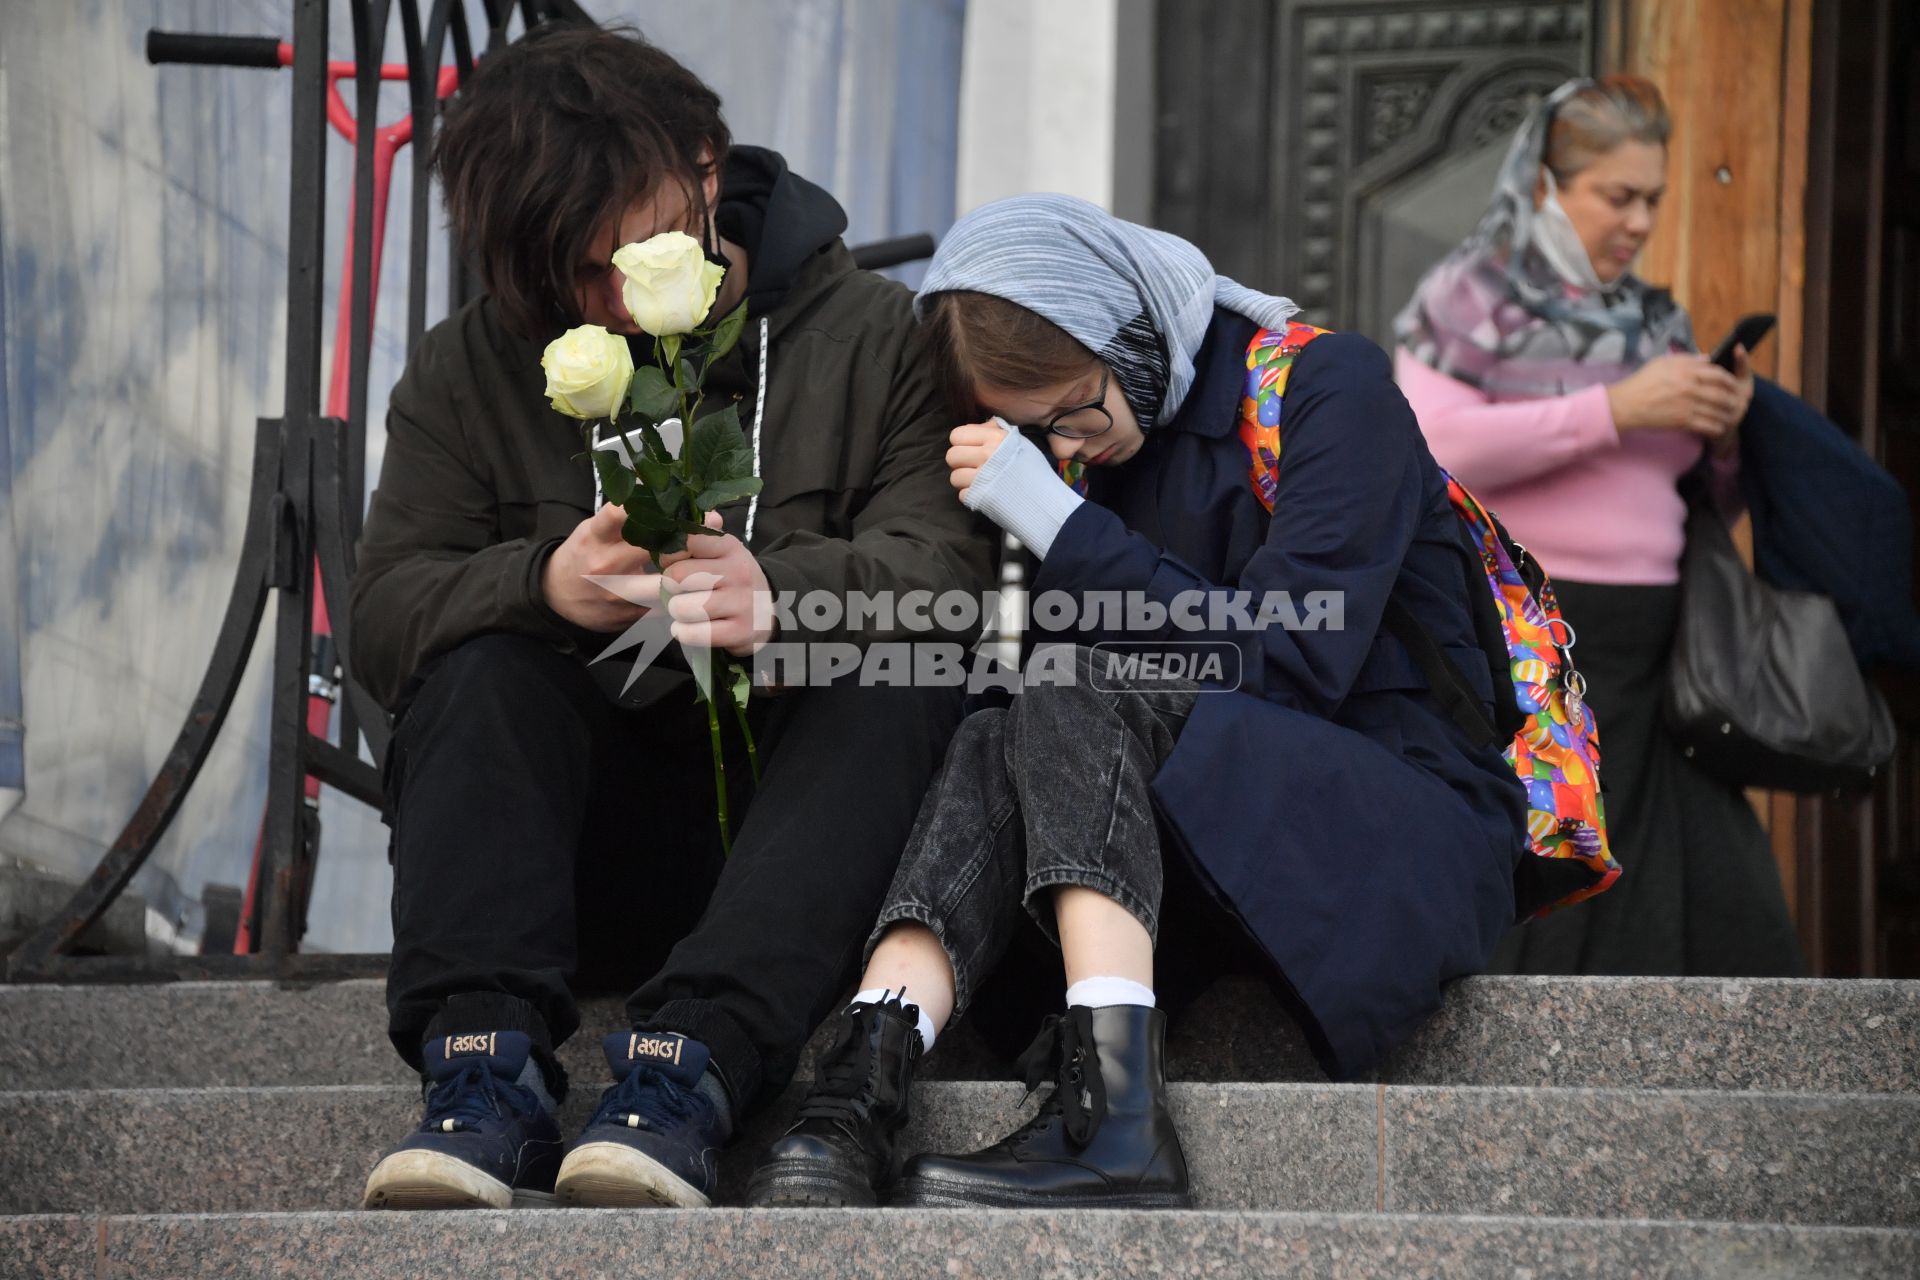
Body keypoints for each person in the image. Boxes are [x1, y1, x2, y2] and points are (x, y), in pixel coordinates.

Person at [745, 194, 1530, 1210]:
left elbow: (1294, 660)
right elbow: (1062, 724)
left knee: (1068, 687)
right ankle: (857, 1083)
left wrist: (1063, 526)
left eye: (1072, 406)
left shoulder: (1331, 387)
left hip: (1395, 822)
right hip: (1206, 847)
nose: (1066, 444)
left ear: (1125, 325)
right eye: (1030, 431)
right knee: (998, 719)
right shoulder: (1104, 455)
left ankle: (1112, 1119)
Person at [351, 24, 995, 1211]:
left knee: (902, 672)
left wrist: (777, 595)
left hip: (800, 852)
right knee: (477, 663)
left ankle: (687, 1071)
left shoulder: (872, 338)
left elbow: (948, 580)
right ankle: (481, 1075)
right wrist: (538, 582)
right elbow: (383, 612)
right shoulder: (469, 365)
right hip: (581, 853)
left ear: (708, 170)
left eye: (630, 251)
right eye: (568, 276)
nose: (609, 301)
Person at [1393, 76, 1805, 977]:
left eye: (1653, 199)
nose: (1640, 221)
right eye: (1617, 197)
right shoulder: (1470, 298)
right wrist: (1615, 408)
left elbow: (1701, 503)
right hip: (1538, 643)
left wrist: (1726, 441)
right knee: (1553, 886)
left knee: (1729, 904)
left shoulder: (1655, 322)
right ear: (1545, 184)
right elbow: (1430, 451)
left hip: (1665, 654)